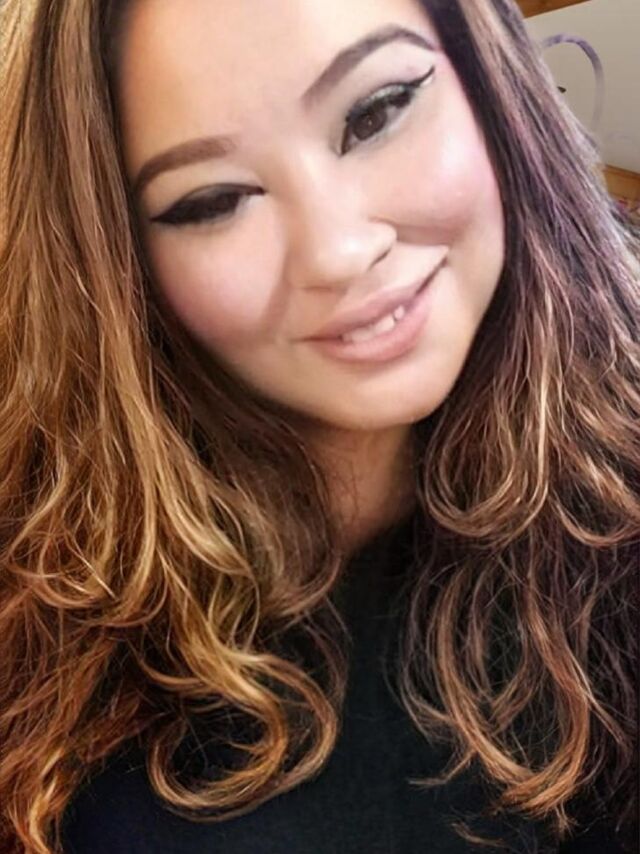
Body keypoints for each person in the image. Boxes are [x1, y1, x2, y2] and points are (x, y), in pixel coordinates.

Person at [0, 0, 638, 852]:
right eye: (213, 200)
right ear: (119, 263)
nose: (338, 251)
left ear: (487, 82)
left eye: (377, 112)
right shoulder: (39, 609)